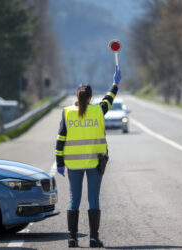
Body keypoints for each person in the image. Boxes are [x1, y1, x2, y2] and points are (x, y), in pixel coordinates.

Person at [55, 66, 121, 248]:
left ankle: (72, 239)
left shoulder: (67, 113)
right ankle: (93, 238)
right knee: (93, 199)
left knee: (73, 199)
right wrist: (115, 84)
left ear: (77, 96)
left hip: (73, 165)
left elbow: (60, 139)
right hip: (94, 163)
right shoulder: (98, 110)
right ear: (90, 97)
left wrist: (59, 162)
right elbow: (109, 98)